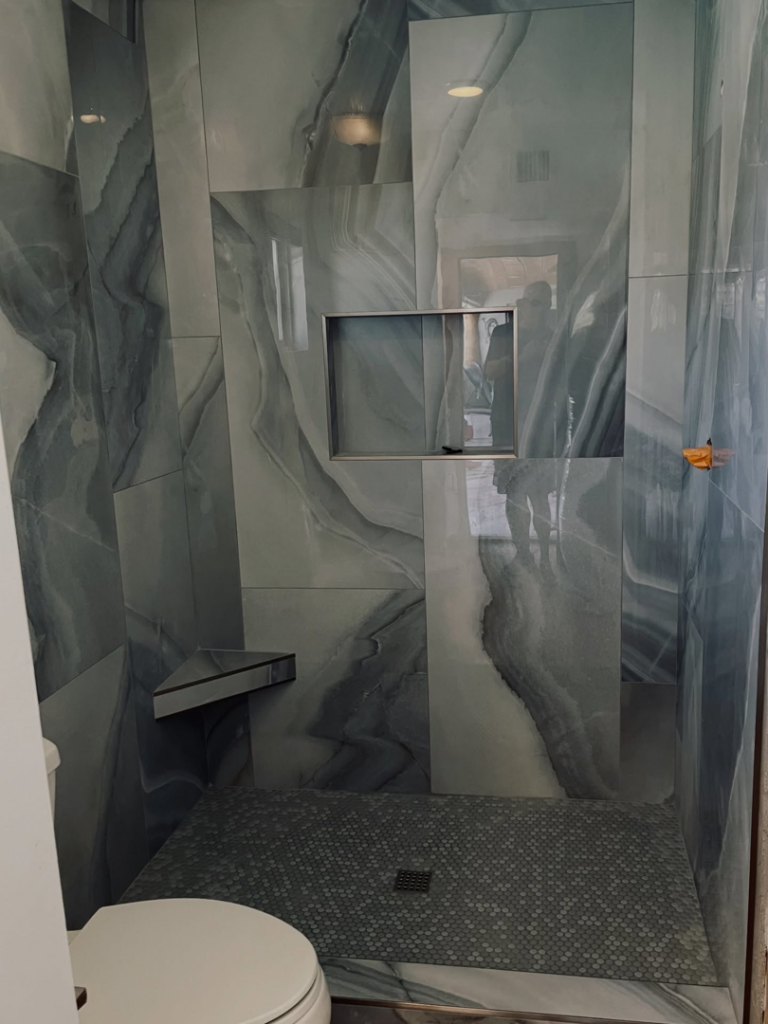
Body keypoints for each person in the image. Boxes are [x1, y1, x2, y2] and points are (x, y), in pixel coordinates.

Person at [485, 280, 555, 572]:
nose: (537, 308)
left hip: (540, 425)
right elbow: (488, 372)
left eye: (542, 303)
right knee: (514, 492)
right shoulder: (503, 333)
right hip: (506, 423)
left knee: (539, 492)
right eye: (532, 301)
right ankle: (523, 554)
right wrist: (519, 357)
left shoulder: (552, 337)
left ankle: (546, 557)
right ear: (523, 302)